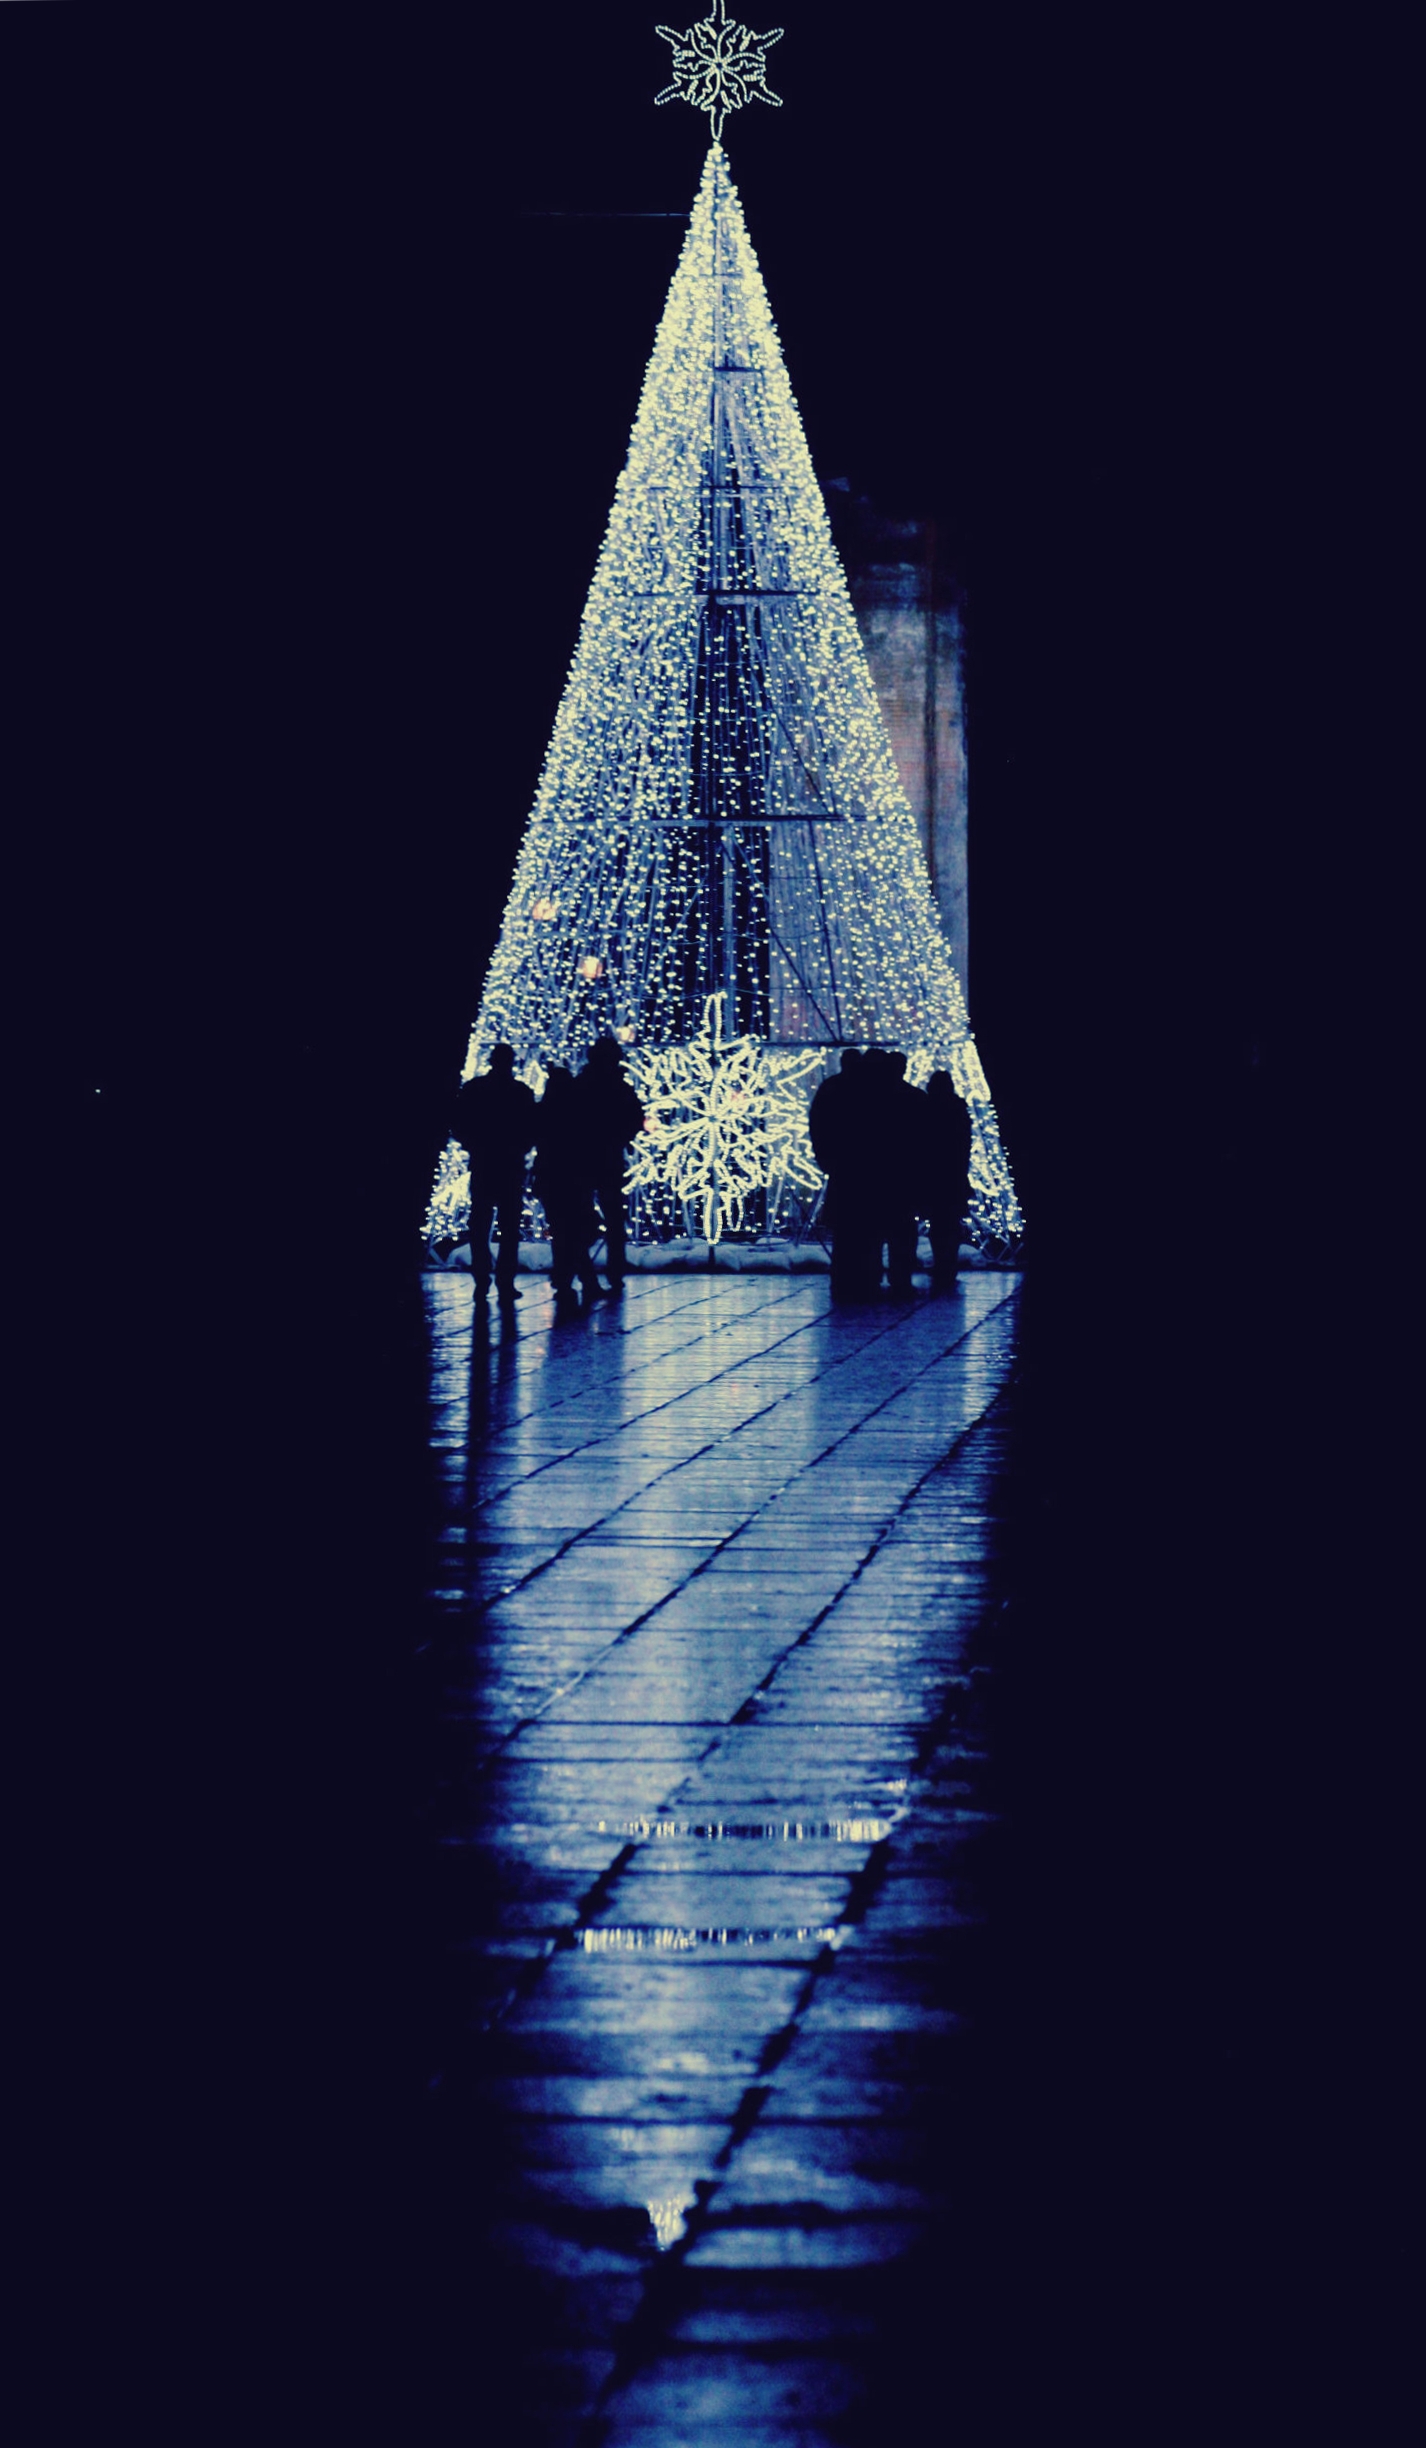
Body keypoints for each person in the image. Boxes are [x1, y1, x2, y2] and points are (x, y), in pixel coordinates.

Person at [451, 1043, 537, 1304]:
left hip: (485, 1162)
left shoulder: (475, 1089)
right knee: (508, 1227)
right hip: (509, 1165)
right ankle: (504, 1282)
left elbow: (458, 1123)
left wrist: (473, 1145)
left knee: (480, 1224)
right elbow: (531, 1127)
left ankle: (483, 1279)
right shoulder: (520, 1092)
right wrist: (520, 1147)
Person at [574, 1036, 644, 1292]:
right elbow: (635, 1118)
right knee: (612, 1218)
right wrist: (620, 1138)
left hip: (583, 1158)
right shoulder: (619, 1087)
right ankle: (612, 1272)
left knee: (584, 1218)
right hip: (607, 1157)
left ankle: (587, 1272)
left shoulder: (581, 1085)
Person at [810, 1048, 879, 1299]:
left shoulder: (832, 1088)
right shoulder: (869, 1090)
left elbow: (817, 1124)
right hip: (864, 1168)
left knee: (845, 1230)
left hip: (842, 1166)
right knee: (865, 1228)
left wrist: (824, 1156)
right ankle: (865, 1276)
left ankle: (844, 1276)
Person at [532, 1066, 602, 1312]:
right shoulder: (579, 1112)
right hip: (575, 1178)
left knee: (562, 1232)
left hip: (552, 1178)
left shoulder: (543, 1111)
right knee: (577, 1230)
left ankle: (566, 1279)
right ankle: (579, 1279)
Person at [864, 1047, 926, 1298]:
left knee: (876, 1231)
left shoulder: (870, 1098)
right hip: (904, 1176)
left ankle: (874, 1276)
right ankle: (900, 1277)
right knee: (902, 1233)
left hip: (877, 1175)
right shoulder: (915, 1097)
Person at [923, 1070, 973, 1290]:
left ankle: (942, 1263)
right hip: (953, 1174)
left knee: (938, 1224)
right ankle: (948, 1264)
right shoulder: (958, 1109)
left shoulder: (928, 1108)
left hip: (934, 1175)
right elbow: (964, 1143)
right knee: (950, 1223)